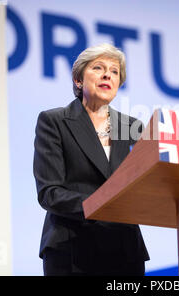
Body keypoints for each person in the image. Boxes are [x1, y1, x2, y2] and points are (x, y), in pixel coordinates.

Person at [33, 43, 149, 276]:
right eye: (98, 68)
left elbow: (144, 185)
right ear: (78, 80)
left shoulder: (133, 127)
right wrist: (102, 205)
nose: (108, 74)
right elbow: (50, 193)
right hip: (72, 248)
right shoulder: (54, 121)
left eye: (115, 71)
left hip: (124, 249)